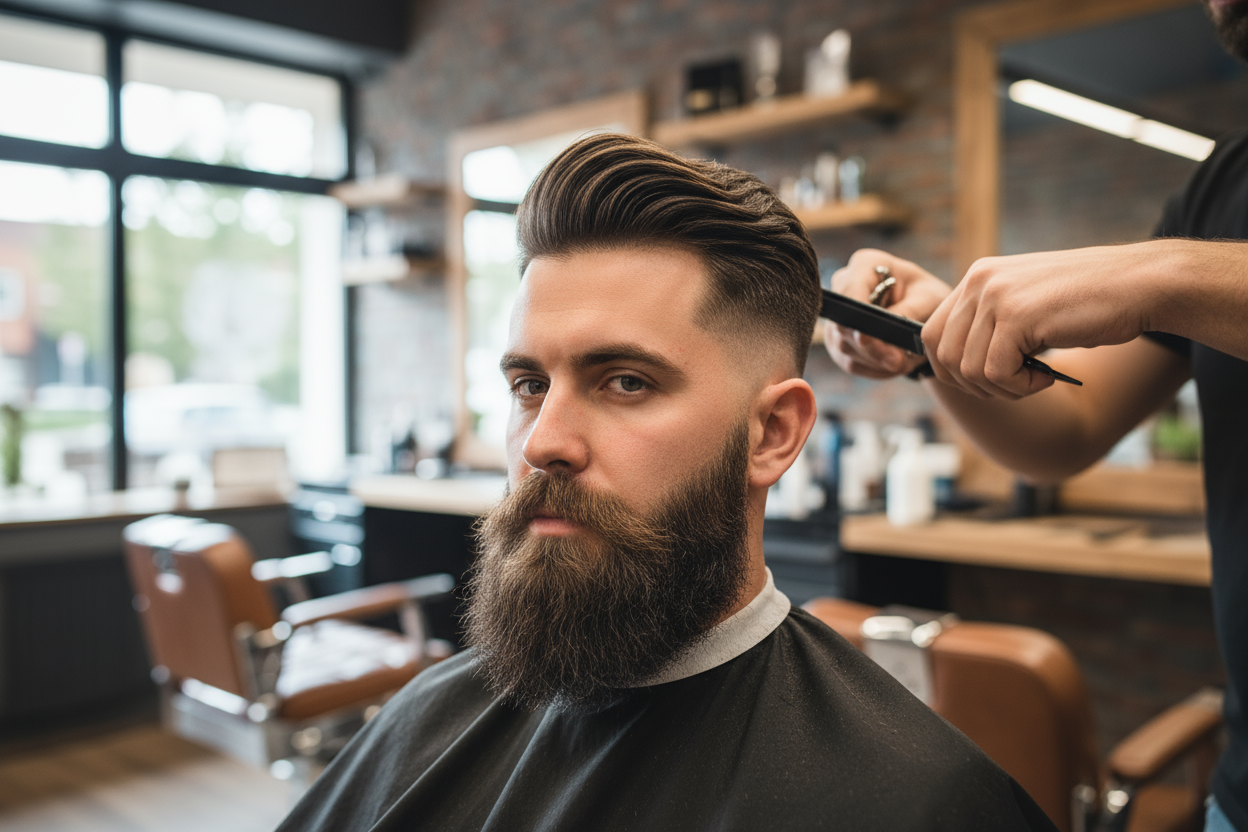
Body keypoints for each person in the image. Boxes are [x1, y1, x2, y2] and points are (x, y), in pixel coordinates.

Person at [275, 134, 1055, 832]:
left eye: (624, 382)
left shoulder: (918, 804)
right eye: (528, 385)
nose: (543, 442)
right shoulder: (423, 719)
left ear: (773, 434)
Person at [824, 3, 1248, 830]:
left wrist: (1163, 275)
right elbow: (1064, 433)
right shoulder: (1224, 187)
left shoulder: (1186, 259)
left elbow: (1168, 282)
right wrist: (933, 343)